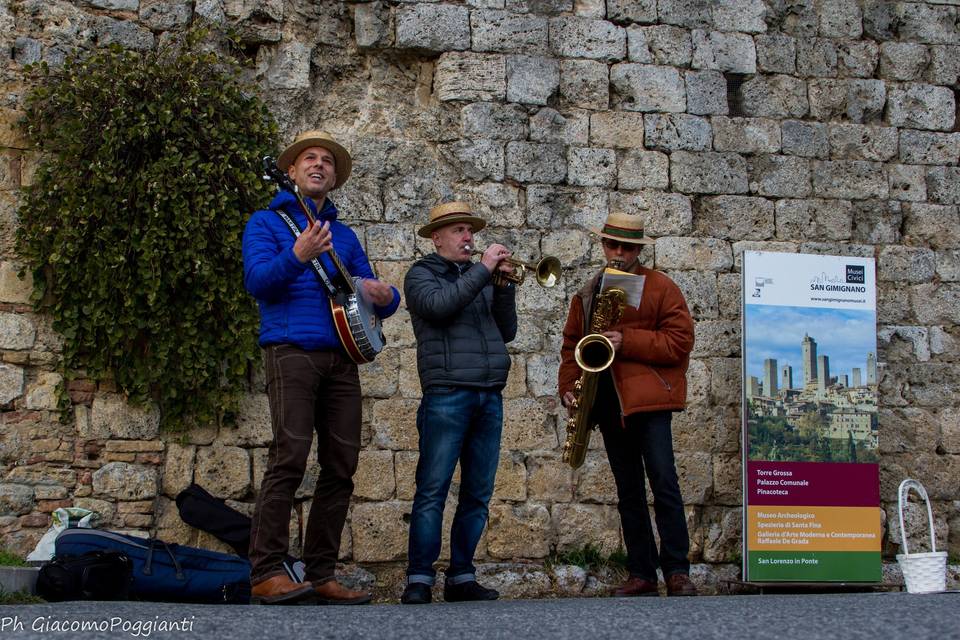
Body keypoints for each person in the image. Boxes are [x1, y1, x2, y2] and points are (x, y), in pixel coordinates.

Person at [242, 130, 400, 605]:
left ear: (333, 177)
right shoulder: (265, 223)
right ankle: (266, 571)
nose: (318, 164)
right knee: (289, 456)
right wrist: (297, 256)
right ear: (290, 172)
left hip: (343, 357)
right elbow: (258, 283)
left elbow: (372, 298)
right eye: (308, 158)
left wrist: (386, 296)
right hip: (290, 350)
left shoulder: (345, 236)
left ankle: (322, 572)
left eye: (327, 161)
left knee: (342, 465)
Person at [558, 211, 698, 597]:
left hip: (648, 403)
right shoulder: (587, 292)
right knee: (628, 491)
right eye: (612, 245)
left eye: (627, 247)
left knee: (664, 482)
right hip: (605, 401)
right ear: (603, 245)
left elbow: (679, 343)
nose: (618, 253)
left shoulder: (661, 287)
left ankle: (677, 570)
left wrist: (627, 341)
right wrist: (568, 385)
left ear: (638, 249)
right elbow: (572, 345)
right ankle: (641, 572)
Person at [400, 201, 518, 605]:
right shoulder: (420, 275)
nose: (468, 238)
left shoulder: (480, 277)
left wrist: (503, 287)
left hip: (489, 395)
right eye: (458, 231)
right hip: (447, 394)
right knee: (432, 489)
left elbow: (507, 331)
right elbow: (439, 306)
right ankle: (419, 578)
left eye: (470, 231)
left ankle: (462, 576)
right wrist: (484, 270)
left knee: (478, 493)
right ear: (437, 238)